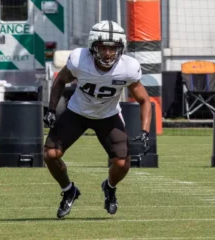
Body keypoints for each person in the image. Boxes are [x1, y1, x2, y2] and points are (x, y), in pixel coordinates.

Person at [42, 20, 152, 218]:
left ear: (121, 48)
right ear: (93, 47)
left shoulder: (128, 67)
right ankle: (69, 191)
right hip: (77, 113)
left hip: (108, 116)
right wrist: (51, 109)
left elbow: (144, 100)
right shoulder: (79, 60)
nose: (108, 54)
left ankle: (109, 188)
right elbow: (59, 81)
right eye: (103, 48)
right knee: (50, 154)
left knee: (122, 164)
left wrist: (145, 131)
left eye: (113, 48)